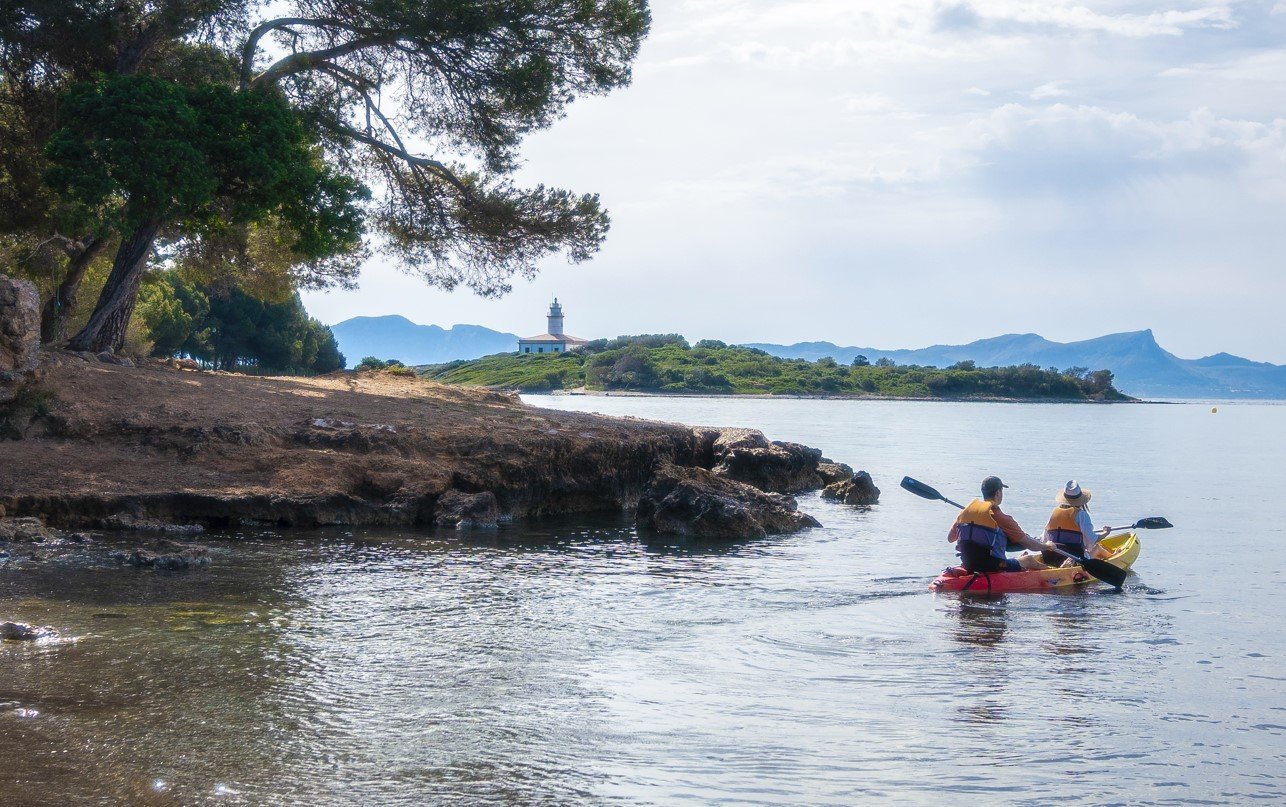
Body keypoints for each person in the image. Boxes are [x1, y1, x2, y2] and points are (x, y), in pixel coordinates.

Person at [948, 476, 1056, 573]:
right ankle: (1053, 573)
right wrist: (1047, 546)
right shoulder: (1002, 519)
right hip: (993, 566)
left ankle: (1018, 562)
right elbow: (1030, 545)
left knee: (1009, 548)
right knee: (1029, 559)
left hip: (968, 564)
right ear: (998, 493)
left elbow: (951, 538)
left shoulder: (964, 513)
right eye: (1002, 490)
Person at [1042, 480, 1110, 567]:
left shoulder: (1054, 513)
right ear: (1080, 500)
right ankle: (1114, 556)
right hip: (1074, 557)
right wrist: (1105, 533)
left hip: (1050, 557)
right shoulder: (1082, 515)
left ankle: (1059, 565)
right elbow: (1092, 539)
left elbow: (1043, 539)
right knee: (1097, 547)